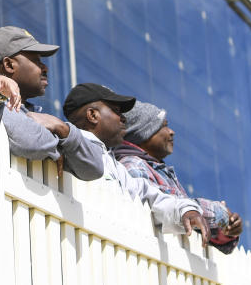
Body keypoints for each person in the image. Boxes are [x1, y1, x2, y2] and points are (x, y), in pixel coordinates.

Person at [62, 83, 209, 245]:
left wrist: (185, 210)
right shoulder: (66, 146)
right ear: (93, 115)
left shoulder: (114, 164)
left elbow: (147, 194)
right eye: (117, 111)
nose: (124, 118)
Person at [0, 26, 103, 181]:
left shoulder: (42, 119)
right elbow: (30, 142)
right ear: (9, 65)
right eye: (36, 60)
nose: (45, 68)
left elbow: (95, 169)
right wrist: (59, 149)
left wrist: (63, 129)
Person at [114, 101, 242, 253]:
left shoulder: (158, 170)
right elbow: (165, 206)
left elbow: (187, 223)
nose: (171, 131)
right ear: (142, 133)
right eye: (163, 126)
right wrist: (219, 213)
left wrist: (226, 231)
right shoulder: (133, 165)